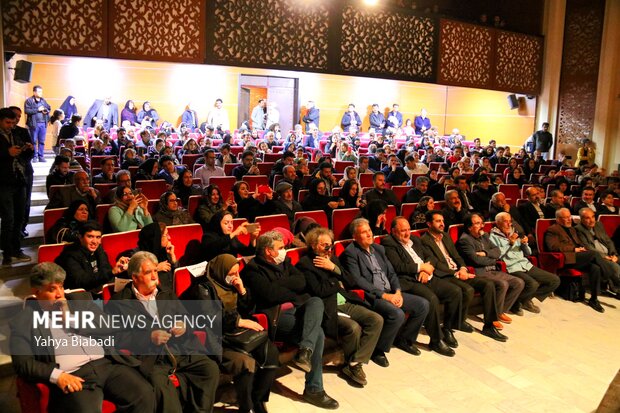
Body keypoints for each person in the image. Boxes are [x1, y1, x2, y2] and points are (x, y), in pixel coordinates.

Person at [10, 262, 156, 413]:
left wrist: (71, 318)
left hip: (106, 364)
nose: (60, 294)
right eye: (52, 289)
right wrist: (58, 376)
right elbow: (23, 363)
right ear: (37, 292)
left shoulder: (79, 301)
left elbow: (106, 326)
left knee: (145, 393)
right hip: (74, 375)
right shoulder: (24, 321)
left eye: (61, 286)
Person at [108, 251, 220, 413]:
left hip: (178, 350)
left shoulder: (165, 293)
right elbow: (117, 338)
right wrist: (148, 337)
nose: (155, 276)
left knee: (209, 369)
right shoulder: (120, 302)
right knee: (161, 388)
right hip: (151, 359)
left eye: (155, 270)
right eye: (148, 272)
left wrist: (183, 326)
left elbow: (186, 318)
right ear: (135, 277)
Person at [242, 231, 339, 409]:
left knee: (316, 302)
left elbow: (301, 282)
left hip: (296, 309)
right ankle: (314, 388)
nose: (285, 251)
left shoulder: (284, 262)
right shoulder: (253, 269)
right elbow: (269, 295)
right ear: (268, 251)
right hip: (275, 317)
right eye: (280, 248)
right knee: (318, 333)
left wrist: (279, 285)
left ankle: (305, 351)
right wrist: (288, 287)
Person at [182, 254, 278, 413]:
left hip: (237, 334)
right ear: (221, 270)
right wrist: (238, 321)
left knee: (271, 353)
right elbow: (210, 318)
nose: (235, 277)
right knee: (246, 363)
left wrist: (242, 291)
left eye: (237, 273)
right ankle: (246, 406)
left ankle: (258, 399)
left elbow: (247, 310)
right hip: (217, 338)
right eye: (231, 274)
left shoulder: (233, 285)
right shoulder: (203, 288)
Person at [297, 227, 384, 385]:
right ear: (313, 245)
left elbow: (351, 282)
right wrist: (337, 283)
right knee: (353, 328)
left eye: (330, 245)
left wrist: (334, 268)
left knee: (376, 319)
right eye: (325, 245)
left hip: (345, 301)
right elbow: (319, 291)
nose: (329, 249)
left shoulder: (333, 259)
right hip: (328, 307)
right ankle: (352, 366)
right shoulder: (305, 264)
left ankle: (354, 363)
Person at [340, 218, 430, 365]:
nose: (369, 234)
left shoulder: (379, 249)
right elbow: (358, 281)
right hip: (371, 296)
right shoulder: (350, 253)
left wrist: (398, 292)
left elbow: (392, 273)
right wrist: (385, 296)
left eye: (369, 230)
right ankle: (378, 350)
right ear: (355, 237)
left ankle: (404, 340)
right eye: (364, 232)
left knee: (423, 305)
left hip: (390, 291)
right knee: (397, 313)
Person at [421, 211, 507, 341]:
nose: (442, 224)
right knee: (467, 289)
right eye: (438, 221)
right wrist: (456, 273)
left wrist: (462, 268)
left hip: (458, 271)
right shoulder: (424, 240)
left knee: (488, 285)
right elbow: (435, 263)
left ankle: (489, 326)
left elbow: (456, 256)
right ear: (429, 223)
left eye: (443, 221)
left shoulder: (445, 236)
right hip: (444, 275)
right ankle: (453, 324)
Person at [382, 217, 462, 356]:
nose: (407, 233)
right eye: (403, 231)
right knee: (431, 300)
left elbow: (429, 257)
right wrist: (420, 267)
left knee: (455, 291)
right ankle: (436, 340)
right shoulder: (388, 243)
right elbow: (398, 266)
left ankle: (447, 329)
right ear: (394, 231)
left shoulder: (415, 239)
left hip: (427, 276)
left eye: (408, 229)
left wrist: (426, 268)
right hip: (409, 281)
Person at [457, 213, 524, 321]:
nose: (482, 226)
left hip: (493, 269)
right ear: (469, 227)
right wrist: (492, 259)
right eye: (477, 223)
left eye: (481, 223)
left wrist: (485, 253)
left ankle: (500, 311)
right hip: (480, 272)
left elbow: (497, 251)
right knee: (503, 284)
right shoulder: (465, 240)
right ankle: (493, 317)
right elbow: (476, 261)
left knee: (518, 283)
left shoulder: (484, 235)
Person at [489, 212, 560, 312]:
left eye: (510, 221)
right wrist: (510, 243)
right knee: (532, 284)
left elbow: (528, 253)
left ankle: (524, 300)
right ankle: (517, 303)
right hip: (511, 266)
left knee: (554, 280)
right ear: (498, 223)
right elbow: (498, 256)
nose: (509, 224)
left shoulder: (514, 232)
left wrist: (525, 244)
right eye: (506, 222)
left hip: (525, 264)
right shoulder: (492, 237)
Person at [544, 208, 606, 312]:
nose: (569, 219)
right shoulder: (552, 230)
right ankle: (609, 275)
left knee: (595, 268)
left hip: (578, 257)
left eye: (569, 217)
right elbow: (553, 247)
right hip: (567, 259)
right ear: (558, 219)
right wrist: (573, 249)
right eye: (566, 217)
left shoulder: (572, 229)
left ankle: (594, 299)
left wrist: (581, 248)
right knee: (594, 254)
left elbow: (578, 242)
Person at [54, 221, 128, 291]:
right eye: (90, 237)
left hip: (98, 290)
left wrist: (120, 269)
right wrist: (111, 272)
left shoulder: (99, 248)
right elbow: (82, 282)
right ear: (80, 237)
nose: (95, 242)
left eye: (98, 237)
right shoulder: (70, 255)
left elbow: (106, 269)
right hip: (81, 297)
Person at [0, 108, 33, 265]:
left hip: (19, 179)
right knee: (8, 218)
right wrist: (7, 152)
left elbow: (23, 157)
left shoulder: (15, 134)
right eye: (8, 122)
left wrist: (28, 150)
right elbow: (7, 154)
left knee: (19, 216)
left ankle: (16, 249)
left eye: (13, 122)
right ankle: (7, 253)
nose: (11, 125)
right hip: (4, 182)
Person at [575, 208, 620, 296]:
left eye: (593, 217)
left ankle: (615, 287)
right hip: (597, 257)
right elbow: (588, 247)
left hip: (609, 254)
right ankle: (617, 288)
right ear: (581, 219)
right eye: (587, 218)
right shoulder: (578, 229)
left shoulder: (599, 224)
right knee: (615, 267)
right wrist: (604, 256)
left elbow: (608, 241)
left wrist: (613, 254)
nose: (591, 220)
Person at [24, 85, 51, 162]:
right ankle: (34, 156)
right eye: (39, 91)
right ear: (34, 92)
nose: (40, 93)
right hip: (34, 124)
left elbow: (49, 107)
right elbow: (27, 111)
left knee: (42, 141)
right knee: (33, 141)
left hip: (43, 123)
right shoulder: (29, 100)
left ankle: (41, 156)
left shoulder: (43, 100)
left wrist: (45, 110)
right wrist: (37, 109)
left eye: (41, 91)